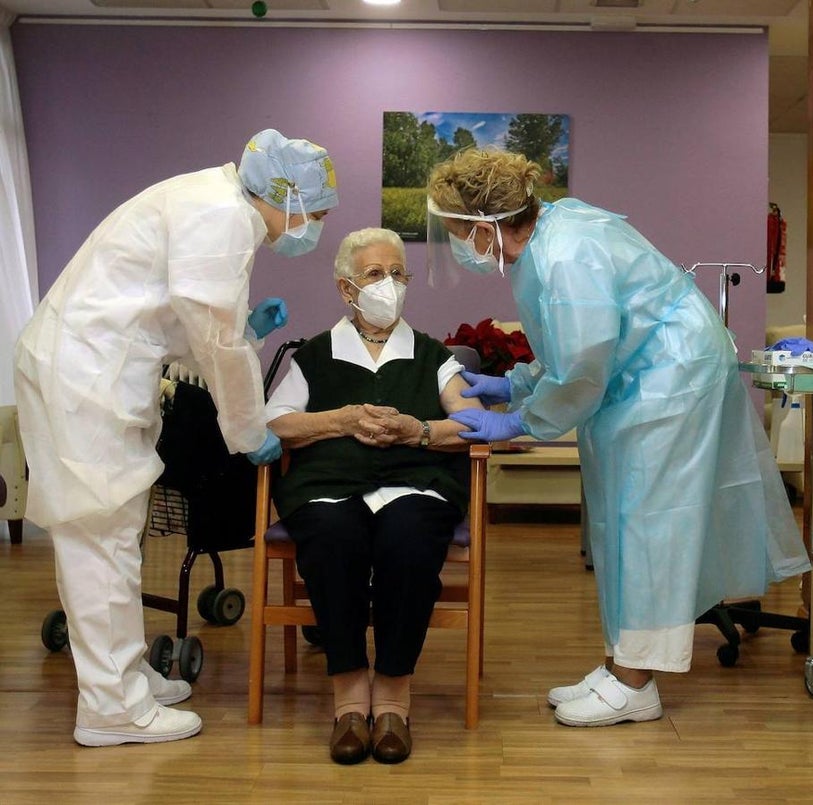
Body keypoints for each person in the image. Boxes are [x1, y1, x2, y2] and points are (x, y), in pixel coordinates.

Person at [426, 148, 811, 728]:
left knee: (648, 523)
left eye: (459, 232)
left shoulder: (565, 253)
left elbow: (583, 364)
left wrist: (522, 419)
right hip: (643, 378)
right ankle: (620, 664)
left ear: (486, 228)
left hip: (668, 382)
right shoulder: (552, 236)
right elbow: (569, 344)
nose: (458, 243)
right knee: (618, 520)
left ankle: (637, 684)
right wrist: (515, 382)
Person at [14, 128, 339, 746]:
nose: (311, 229)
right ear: (285, 197)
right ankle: (113, 710)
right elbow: (212, 342)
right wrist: (250, 431)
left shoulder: (212, 202)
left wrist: (244, 328)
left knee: (116, 536)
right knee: (101, 537)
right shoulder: (220, 219)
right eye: (315, 215)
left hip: (93, 372)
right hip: (85, 379)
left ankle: (125, 676)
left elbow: (185, 319)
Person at [265, 227, 483, 765]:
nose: (389, 284)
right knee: (333, 537)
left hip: (416, 483)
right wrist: (338, 419)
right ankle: (347, 697)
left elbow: (474, 422)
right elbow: (276, 423)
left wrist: (419, 431)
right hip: (329, 487)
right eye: (374, 275)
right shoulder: (314, 356)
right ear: (346, 289)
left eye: (397, 274)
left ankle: (392, 697)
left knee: (408, 540)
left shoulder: (432, 354)